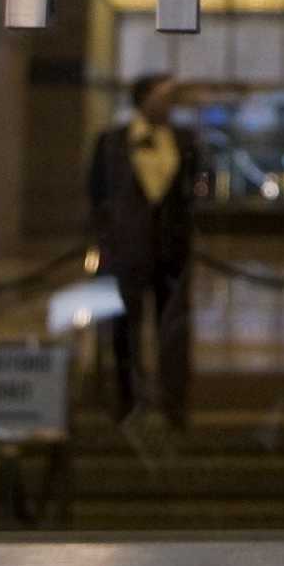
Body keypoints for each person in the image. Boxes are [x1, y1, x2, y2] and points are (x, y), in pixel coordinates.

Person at [86, 73, 198, 428]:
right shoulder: (111, 142)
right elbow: (97, 194)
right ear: (143, 99)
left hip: (172, 252)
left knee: (174, 330)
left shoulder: (186, 140)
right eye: (163, 96)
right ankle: (127, 399)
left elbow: (192, 193)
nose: (169, 104)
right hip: (125, 252)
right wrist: (106, 240)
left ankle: (173, 403)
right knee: (123, 330)